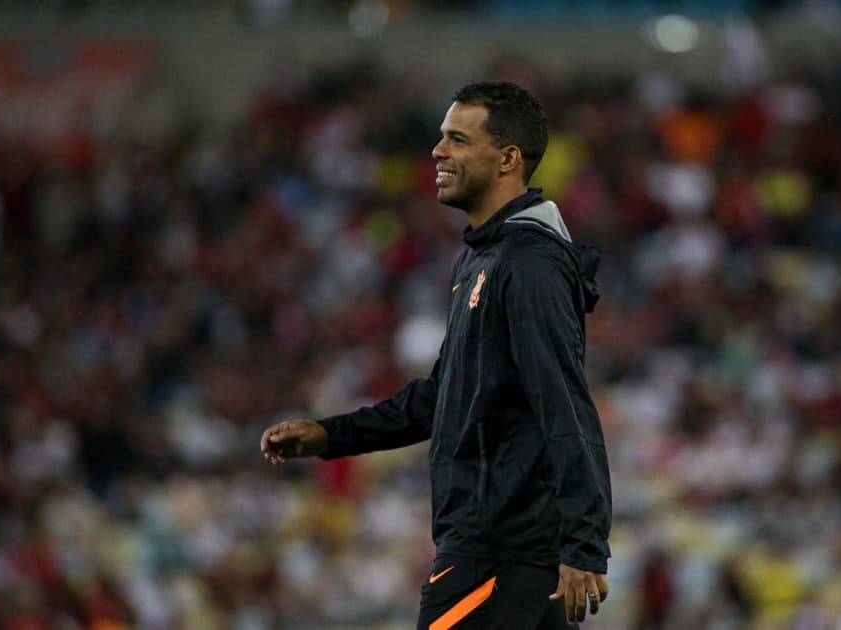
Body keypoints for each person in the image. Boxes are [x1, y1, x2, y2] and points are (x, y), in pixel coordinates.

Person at [259, 81, 612, 629]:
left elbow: (563, 399)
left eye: (457, 139)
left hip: (497, 549)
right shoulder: (483, 259)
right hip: (501, 547)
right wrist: (332, 436)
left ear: (507, 159)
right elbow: (439, 398)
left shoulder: (528, 263)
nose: (437, 152)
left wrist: (585, 542)